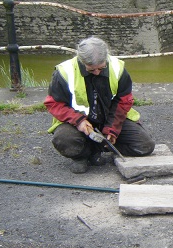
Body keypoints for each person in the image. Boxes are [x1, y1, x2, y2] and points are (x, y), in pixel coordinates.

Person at [45, 36, 155, 173]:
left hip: (109, 118)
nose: (97, 73)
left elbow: (124, 100)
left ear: (106, 59)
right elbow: (54, 104)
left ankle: (98, 147)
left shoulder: (117, 69)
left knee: (145, 146)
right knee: (64, 140)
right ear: (81, 60)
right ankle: (83, 155)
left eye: (101, 68)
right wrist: (78, 121)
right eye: (91, 70)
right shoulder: (64, 72)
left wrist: (112, 129)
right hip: (77, 122)